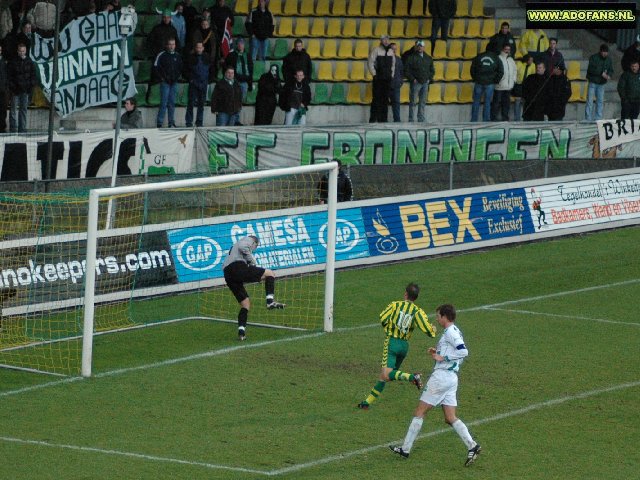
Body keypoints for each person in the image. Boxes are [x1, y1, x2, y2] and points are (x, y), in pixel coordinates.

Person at [389, 304, 481, 467]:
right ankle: (472, 446)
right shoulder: (453, 331)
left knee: (419, 412)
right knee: (450, 417)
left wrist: (442, 358)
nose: (437, 319)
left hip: (441, 378)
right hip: (451, 378)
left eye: (438, 316)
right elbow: (454, 351)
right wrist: (437, 352)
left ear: (445, 317)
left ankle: (405, 449)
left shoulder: (451, 332)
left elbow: (463, 351)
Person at [357, 283, 436, 410]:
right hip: (404, 346)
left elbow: (382, 318)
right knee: (386, 376)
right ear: (416, 297)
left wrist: (389, 329)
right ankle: (367, 402)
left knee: (387, 374)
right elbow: (429, 331)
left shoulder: (395, 305)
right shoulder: (418, 312)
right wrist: (433, 329)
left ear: (405, 293)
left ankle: (412, 377)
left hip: (392, 343)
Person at [222, 235, 285, 341]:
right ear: (255, 244)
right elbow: (243, 247)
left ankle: (241, 333)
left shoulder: (235, 248)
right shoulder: (250, 240)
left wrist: (252, 268)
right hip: (236, 267)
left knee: (245, 304)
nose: (254, 249)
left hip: (228, 274)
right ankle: (270, 302)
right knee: (270, 273)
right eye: (255, 247)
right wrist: (253, 261)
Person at [153, 37, 183, 128]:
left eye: (173, 44)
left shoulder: (177, 56)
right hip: (165, 82)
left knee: (172, 103)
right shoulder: (162, 55)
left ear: (175, 45)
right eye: (170, 44)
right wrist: (162, 78)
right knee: (163, 103)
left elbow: (180, 69)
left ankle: (171, 122)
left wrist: (176, 78)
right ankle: (159, 122)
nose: (171, 46)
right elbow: (155, 67)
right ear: (167, 45)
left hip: (174, 83)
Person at [8, 43, 36, 133]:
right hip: (15, 90)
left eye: (23, 51)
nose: (21, 52)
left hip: (25, 90)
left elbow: (33, 75)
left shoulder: (30, 61)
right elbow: (9, 76)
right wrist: (12, 87)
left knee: (23, 110)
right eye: (20, 51)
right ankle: (13, 128)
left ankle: (22, 128)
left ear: (26, 51)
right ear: (17, 51)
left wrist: (30, 86)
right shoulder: (13, 61)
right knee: (13, 110)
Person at [470, 45, 503, 122]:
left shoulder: (479, 56)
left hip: (479, 82)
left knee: (476, 102)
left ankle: (474, 120)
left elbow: (472, 68)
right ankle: (486, 120)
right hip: (490, 83)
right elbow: (501, 71)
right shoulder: (496, 58)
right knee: (487, 102)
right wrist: (495, 80)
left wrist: (475, 78)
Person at [404, 40, 434, 123]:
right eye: (418, 46)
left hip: (425, 83)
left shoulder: (428, 58)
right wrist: (412, 79)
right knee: (413, 102)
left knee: (422, 102)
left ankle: (421, 118)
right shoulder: (411, 57)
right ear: (416, 47)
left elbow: (432, 70)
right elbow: (406, 70)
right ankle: (411, 119)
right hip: (416, 83)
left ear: (424, 47)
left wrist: (429, 79)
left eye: (421, 46)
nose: (420, 47)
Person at [368, 35, 395, 123]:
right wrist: (374, 74)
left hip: (387, 79)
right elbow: (370, 62)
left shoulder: (391, 51)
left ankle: (383, 120)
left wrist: (392, 75)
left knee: (385, 100)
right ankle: (373, 119)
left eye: (387, 39)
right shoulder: (376, 50)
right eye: (384, 39)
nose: (386, 41)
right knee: (376, 100)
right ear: (381, 41)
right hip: (378, 79)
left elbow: (393, 65)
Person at [184, 41, 210, 127]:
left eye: (200, 47)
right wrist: (190, 79)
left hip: (203, 84)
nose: (199, 49)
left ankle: (199, 122)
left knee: (201, 104)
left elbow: (212, 69)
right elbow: (185, 71)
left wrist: (208, 80)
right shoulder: (190, 58)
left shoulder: (207, 57)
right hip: (193, 84)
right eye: (197, 47)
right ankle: (188, 122)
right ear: (195, 48)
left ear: (203, 48)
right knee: (190, 103)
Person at [585, 44, 613, 121]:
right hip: (593, 82)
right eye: (603, 52)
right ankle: (588, 119)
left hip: (602, 83)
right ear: (600, 51)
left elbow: (611, 70)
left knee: (600, 101)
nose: (605, 53)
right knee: (590, 101)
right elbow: (590, 69)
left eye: (606, 52)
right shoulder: (593, 58)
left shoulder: (609, 60)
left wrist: (609, 75)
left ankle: (598, 118)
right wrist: (601, 73)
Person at [491, 44, 516, 121]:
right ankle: (493, 118)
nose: (507, 51)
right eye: (506, 49)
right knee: (496, 104)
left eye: (508, 49)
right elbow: (495, 71)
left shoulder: (511, 59)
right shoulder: (498, 58)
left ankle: (505, 118)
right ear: (502, 49)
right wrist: (498, 81)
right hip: (499, 86)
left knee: (506, 104)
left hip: (508, 86)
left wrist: (513, 80)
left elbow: (515, 71)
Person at [512, 53, 534, 121]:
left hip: (527, 86)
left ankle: (526, 117)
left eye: (532, 60)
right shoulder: (519, 64)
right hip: (519, 85)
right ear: (526, 60)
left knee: (526, 102)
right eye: (530, 60)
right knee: (517, 102)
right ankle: (517, 118)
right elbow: (515, 73)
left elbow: (533, 75)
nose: (531, 62)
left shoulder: (533, 65)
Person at [389, 42, 403, 122]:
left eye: (395, 49)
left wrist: (401, 82)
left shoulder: (398, 59)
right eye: (392, 49)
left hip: (396, 85)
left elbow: (402, 72)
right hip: (386, 85)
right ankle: (383, 121)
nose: (394, 51)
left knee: (396, 104)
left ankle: (397, 121)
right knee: (383, 104)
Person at [0, 44, 7, 133]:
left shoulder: (4, 61)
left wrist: (6, 87)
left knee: (2, 110)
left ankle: (2, 127)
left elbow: (6, 76)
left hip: (2, 90)